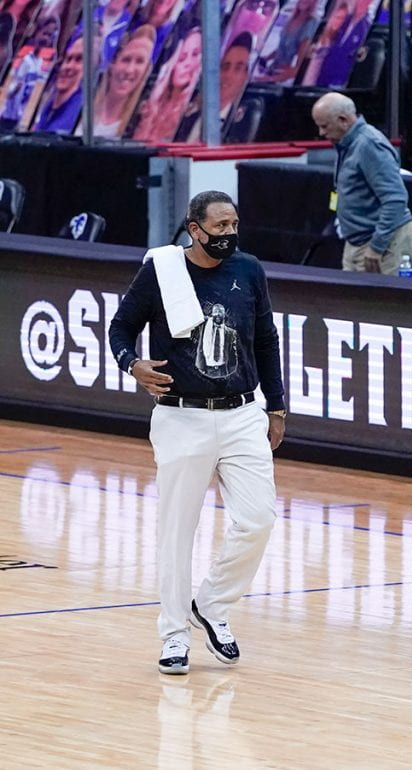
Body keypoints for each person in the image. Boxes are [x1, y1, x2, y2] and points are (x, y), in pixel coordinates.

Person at [108, 190, 286, 675]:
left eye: (234, 225)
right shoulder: (162, 271)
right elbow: (120, 328)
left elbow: (266, 340)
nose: (229, 234)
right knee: (177, 532)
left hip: (243, 413)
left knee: (259, 519)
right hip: (181, 414)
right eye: (220, 226)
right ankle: (172, 635)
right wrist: (133, 365)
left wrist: (279, 408)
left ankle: (210, 605)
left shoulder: (249, 270)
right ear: (195, 229)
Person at [311, 91, 412, 275]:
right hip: (356, 242)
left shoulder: (370, 145)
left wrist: (377, 246)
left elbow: (395, 199)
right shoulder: (347, 145)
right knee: (349, 301)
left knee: (381, 303)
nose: (322, 133)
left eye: (325, 126)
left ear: (343, 120)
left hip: (383, 243)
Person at [130, 24, 201, 143]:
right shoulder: (149, 105)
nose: (188, 63)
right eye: (182, 58)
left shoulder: (194, 113)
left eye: (195, 55)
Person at [86, 24, 155, 139]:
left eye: (139, 62)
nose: (129, 70)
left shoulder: (141, 123)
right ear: (111, 64)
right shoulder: (84, 104)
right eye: (126, 59)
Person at [32, 30, 82, 133]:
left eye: (79, 59)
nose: (68, 66)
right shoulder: (48, 103)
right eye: (68, 59)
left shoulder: (81, 116)